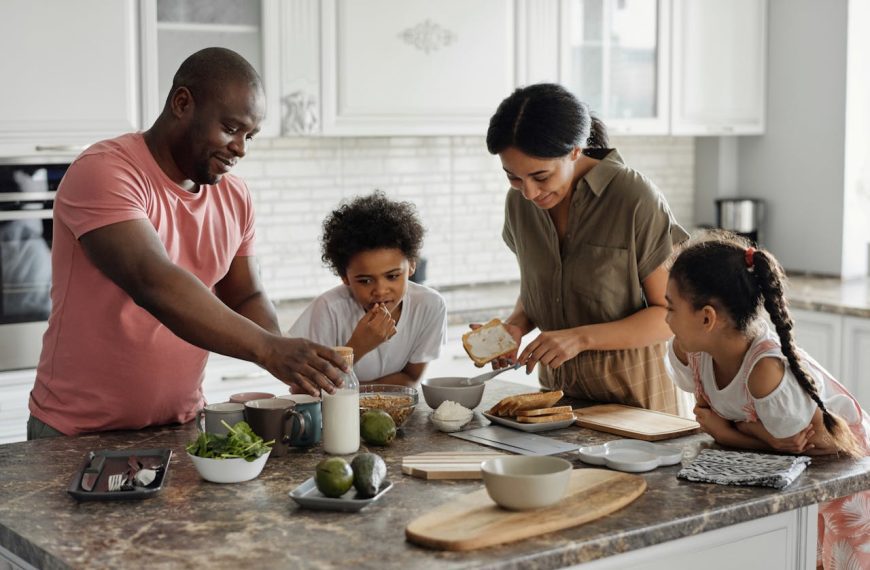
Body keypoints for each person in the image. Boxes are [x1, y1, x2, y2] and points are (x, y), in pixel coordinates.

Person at [28, 47, 346, 439]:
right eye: (231, 129)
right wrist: (268, 349)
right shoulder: (104, 171)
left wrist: (287, 359)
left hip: (180, 426)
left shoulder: (234, 196)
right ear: (182, 103)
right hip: (77, 432)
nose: (241, 148)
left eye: (250, 136)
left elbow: (245, 295)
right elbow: (153, 281)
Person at [665, 231, 870, 568]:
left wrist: (728, 433)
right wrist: (757, 433)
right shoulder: (695, 352)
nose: (665, 319)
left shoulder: (765, 371)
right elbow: (779, 443)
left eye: (671, 308)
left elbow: (805, 446)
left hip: (843, 473)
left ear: (706, 318)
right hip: (796, 474)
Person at [484, 83, 688, 413]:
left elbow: (670, 316)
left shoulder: (633, 197)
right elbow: (543, 290)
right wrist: (515, 327)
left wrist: (580, 338)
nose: (530, 193)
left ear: (576, 150)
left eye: (541, 176)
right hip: (558, 404)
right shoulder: (519, 205)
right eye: (514, 177)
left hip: (638, 405)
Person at [289, 191, 446, 387]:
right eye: (365, 281)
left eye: (392, 276)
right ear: (344, 277)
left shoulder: (430, 305)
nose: (380, 291)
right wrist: (358, 346)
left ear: (412, 265)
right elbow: (302, 388)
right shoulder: (328, 309)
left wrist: (354, 392)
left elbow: (410, 378)